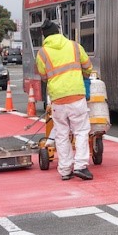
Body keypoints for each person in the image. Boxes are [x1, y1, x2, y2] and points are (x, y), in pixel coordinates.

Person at [35, 20, 94, 180]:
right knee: (81, 131)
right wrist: (83, 75)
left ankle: (65, 170)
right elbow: (88, 66)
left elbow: (43, 76)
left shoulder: (42, 53)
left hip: (57, 99)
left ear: (45, 36)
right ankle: (81, 166)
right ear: (58, 31)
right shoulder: (74, 46)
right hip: (76, 96)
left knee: (61, 134)